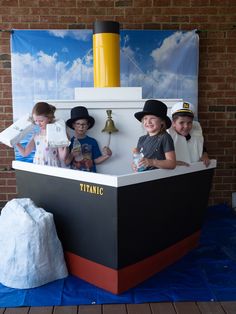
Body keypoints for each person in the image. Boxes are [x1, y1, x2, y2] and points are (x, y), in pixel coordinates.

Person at [15, 102, 67, 167]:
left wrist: (65, 144)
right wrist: (16, 142)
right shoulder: (36, 136)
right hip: (38, 167)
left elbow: (62, 157)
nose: (38, 124)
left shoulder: (56, 135)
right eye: (36, 121)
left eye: (41, 121)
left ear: (49, 118)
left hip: (52, 167)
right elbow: (25, 153)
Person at [133, 99, 176, 171]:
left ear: (162, 121)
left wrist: (151, 162)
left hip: (158, 177)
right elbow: (140, 159)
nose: (148, 122)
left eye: (152, 118)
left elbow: (172, 163)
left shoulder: (165, 137)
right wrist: (135, 165)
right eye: (145, 118)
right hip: (143, 177)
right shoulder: (142, 139)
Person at [65, 106, 112, 172]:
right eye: (78, 124)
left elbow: (96, 160)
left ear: (88, 125)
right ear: (73, 125)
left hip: (90, 177)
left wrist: (107, 155)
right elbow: (66, 162)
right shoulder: (69, 142)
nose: (81, 127)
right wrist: (72, 154)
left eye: (84, 124)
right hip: (75, 177)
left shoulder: (92, 141)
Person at [168, 101, 210, 167]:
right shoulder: (166, 138)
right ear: (173, 123)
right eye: (181, 122)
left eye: (189, 122)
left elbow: (201, 148)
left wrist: (204, 155)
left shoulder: (194, 135)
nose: (186, 126)